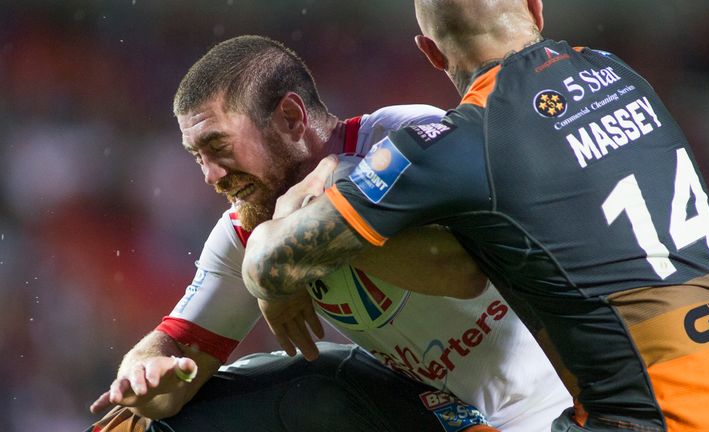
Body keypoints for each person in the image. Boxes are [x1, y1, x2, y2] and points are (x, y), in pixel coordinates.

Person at [241, 1, 709, 431]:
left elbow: (274, 264)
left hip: (656, 414)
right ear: (536, 10)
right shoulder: (620, 72)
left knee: (348, 393)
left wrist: (322, 179)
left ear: (431, 53)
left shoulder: (455, 142)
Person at [87, 35, 570, 432]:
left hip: (565, 402)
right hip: (440, 414)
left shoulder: (407, 136)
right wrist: (144, 377)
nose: (212, 176)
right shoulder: (246, 230)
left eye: (219, 147)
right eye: (198, 156)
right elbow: (173, 354)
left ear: (292, 119)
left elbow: (463, 270)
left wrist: (299, 248)